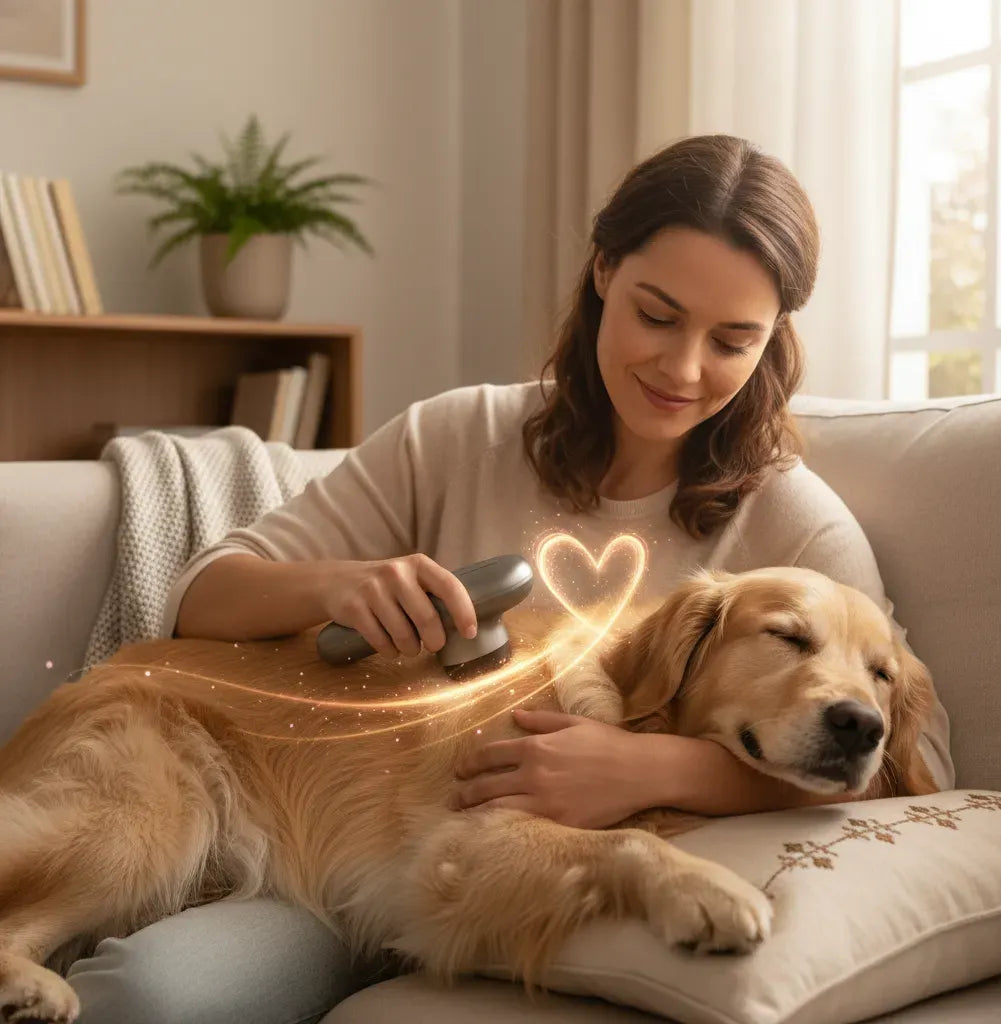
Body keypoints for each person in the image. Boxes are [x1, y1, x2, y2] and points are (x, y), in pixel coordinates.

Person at [66, 134, 954, 1024]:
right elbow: (202, 596)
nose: (684, 369)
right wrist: (339, 586)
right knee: (145, 998)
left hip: (576, 902)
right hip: (342, 864)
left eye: (732, 340)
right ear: (604, 270)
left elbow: (907, 766)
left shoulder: (793, 523)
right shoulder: (456, 437)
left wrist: (647, 769)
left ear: (773, 340)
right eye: (657, 315)